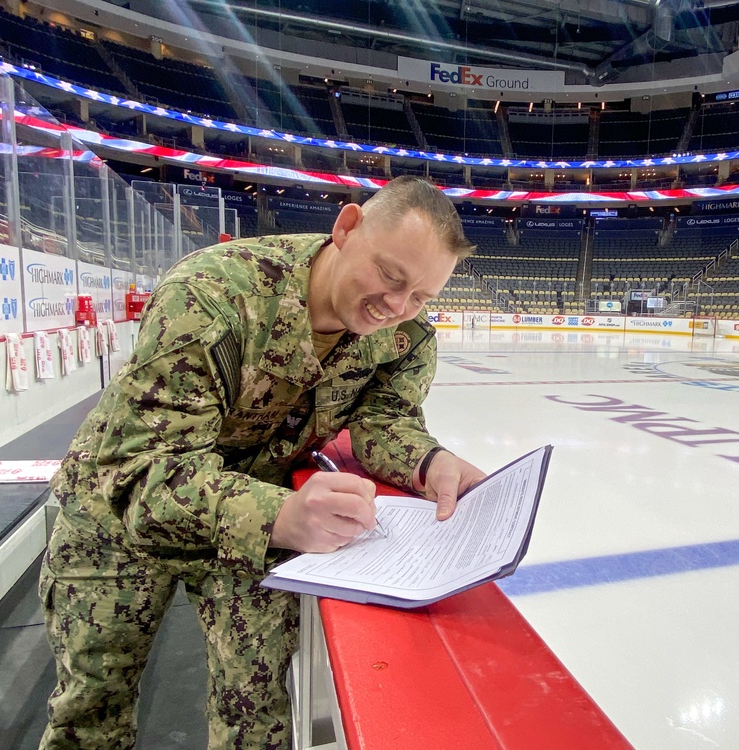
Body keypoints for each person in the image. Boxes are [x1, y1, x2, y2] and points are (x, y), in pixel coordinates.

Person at [39, 176, 487, 749]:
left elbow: (383, 423)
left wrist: (428, 462)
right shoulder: (213, 293)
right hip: (117, 519)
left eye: (421, 296)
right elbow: (144, 475)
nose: (396, 307)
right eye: (390, 276)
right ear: (346, 228)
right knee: (90, 714)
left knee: (259, 719)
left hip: (252, 522)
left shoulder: (407, 336)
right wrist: (281, 514)